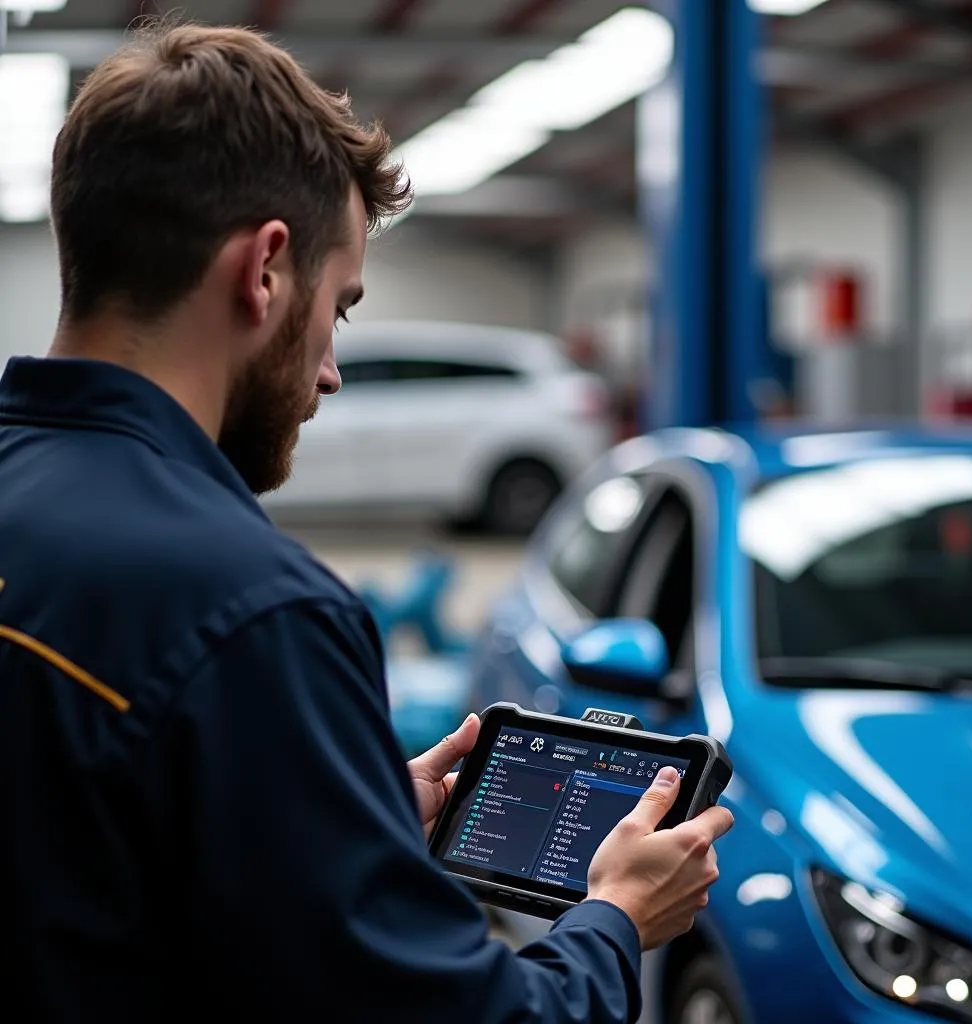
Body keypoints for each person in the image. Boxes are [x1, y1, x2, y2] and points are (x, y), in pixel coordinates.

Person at [0, 21, 733, 1023]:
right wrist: (614, 917)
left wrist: (332, 802)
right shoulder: (254, 614)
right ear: (264, 271)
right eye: (337, 308)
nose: (331, 372)